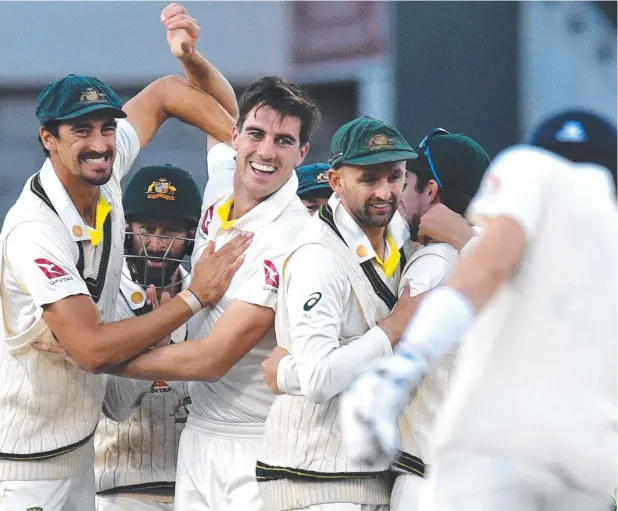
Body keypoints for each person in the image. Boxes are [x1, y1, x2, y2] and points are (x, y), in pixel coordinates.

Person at [0, 17, 249, 510]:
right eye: (81, 131)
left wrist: (246, 147)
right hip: (27, 465)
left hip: (77, 455)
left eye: (107, 127)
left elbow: (166, 96)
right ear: (48, 138)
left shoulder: (104, 174)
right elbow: (92, 350)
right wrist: (194, 298)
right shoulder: (34, 231)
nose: (99, 143)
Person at [341, 110, 618, 511]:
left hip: (496, 453)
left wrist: (405, 362)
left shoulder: (530, 171)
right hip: (588, 463)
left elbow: (490, 265)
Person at [91, 72, 321, 509]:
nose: (266, 152)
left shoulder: (293, 239)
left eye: (284, 141)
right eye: (255, 134)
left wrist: (100, 356)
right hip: (198, 437)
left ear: (302, 152)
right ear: (234, 136)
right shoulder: (222, 186)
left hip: (258, 444)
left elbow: (210, 360)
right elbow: (215, 106)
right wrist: (192, 59)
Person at [255, 116, 422, 511]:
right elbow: (318, 379)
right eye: (369, 179)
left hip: (364, 473)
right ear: (335, 181)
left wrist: (285, 372)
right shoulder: (319, 257)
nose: (385, 192)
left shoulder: (398, 232)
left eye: (395, 177)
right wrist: (393, 330)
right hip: (315, 479)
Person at [390, 130, 490, 510]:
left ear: (430, 190)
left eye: (404, 181)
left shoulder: (436, 263)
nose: (395, 193)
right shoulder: (486, 255)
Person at [94, 164, 202, 511]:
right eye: (146, 229)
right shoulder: (101, 298)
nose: (156, 244)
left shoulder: (210, 297)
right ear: (127, 230)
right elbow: (116, 406)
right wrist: (155, 338)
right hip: (117, 488)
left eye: (171, 231)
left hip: (198, 487)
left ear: (190, 235)